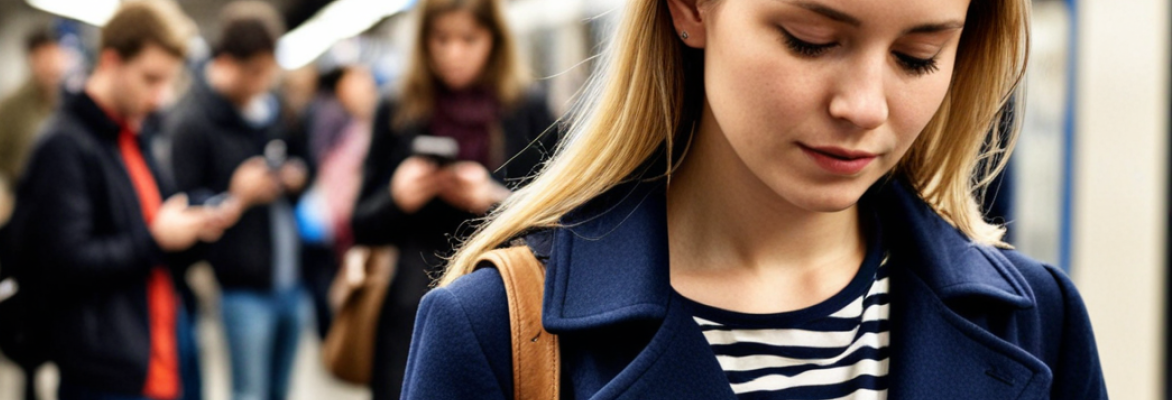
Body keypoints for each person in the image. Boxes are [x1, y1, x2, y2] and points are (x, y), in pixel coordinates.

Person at [403, 0, 1108, 399]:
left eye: (917, 56)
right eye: (811, 40)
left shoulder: (1041, 321)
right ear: (690, 9)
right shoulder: (495, 335)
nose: (862, 106)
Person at [3, 2, 231, 399]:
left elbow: (153, 224)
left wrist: (197, 220)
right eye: (150, 79)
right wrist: (157, 240)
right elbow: (66, 262)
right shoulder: (65, 145)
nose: (160, 97)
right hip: (105, 371)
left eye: (167, 83)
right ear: (111, 61)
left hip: (160, 349)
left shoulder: (135, 136)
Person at [350, 0, 559, 397]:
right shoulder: (398, 107)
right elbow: (360, 223)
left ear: (493, 40)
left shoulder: (525, 108)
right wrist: (397, 197)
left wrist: (495, 199)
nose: (454, 53)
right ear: (424, 42)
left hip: (509, 304)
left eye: (468, 39)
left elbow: (561, 218)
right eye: (441, 39)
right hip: (411, 307)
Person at [164, 2, 309, 399]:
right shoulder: (192, 122)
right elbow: (183, 206)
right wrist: (237, 197)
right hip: (241, 287)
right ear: (228, 63)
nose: (264, 82)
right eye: (255, 72)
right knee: (250, 392)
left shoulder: (273, 110)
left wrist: (295, 176)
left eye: (269, 71)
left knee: (280, 390)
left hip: (290, 277)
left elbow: (303, 157)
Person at [295, 64, 379, 338]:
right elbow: (332, 170)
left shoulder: (339, 116)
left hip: (337, 216)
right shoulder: (336, 118)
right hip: (337, 217)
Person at [0, 26, 71, 191]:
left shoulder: (73, 103)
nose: (52, 65)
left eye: (55, 56)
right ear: (31, 59)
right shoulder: (10, 108)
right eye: (44, 58)